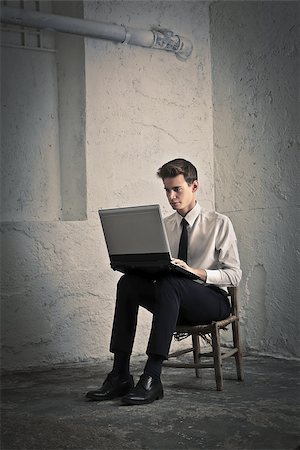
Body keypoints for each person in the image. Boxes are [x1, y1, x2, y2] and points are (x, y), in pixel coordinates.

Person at [86, 158, 242, 406]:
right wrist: (137, 267)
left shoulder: (219, 223)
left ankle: (152, 376)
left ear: (194, 186)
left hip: (212, 300)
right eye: (167, 190)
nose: (171, 197)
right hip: (173, 301)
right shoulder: (165, 226)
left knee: (172, 282)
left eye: (177, 189)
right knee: (128, 283)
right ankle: (120, 374)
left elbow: (234, 274)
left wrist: (196, 272)